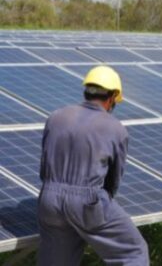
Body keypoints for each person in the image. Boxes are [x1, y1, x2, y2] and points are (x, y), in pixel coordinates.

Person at [37, 65, 149, 266]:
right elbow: (112, 182)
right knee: (133, 252)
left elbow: (44, 168)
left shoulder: (56, 116)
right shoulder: (115, 128)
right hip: (87, 203)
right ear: (112, 96)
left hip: (49, 200)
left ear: (86, 89)